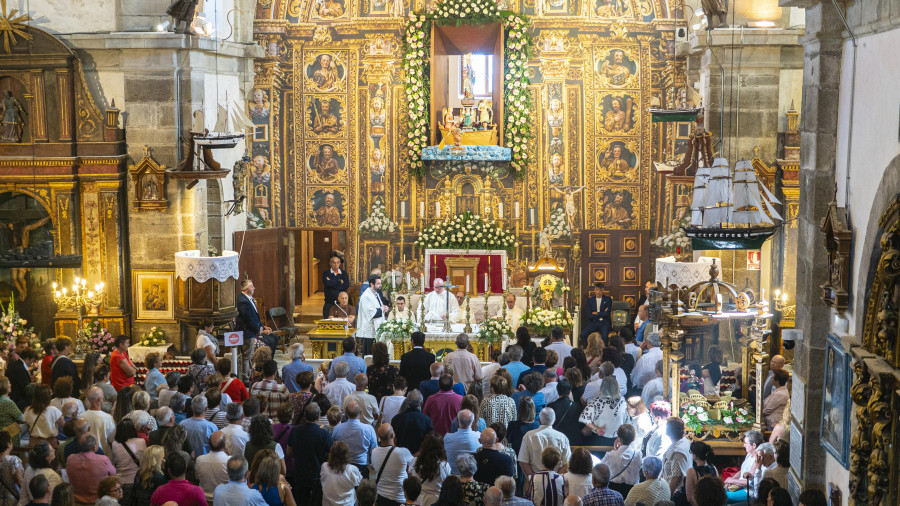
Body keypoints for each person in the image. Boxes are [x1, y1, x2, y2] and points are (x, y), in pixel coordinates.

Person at [288, 404, 332, 505]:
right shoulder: (324, 434)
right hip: (317, 475)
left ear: (305, 415)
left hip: (299, 474)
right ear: (318, 416)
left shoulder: (295, 430)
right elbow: (331, 456)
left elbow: (289, 452)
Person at [236, 279, 276, 378]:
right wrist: (259, 329)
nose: (254, 288)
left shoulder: (248, 298)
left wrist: (262, 326)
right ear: (246, 289)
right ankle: (246, 376)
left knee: (272, 338)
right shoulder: (242, 301)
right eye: (252, 286)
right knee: (247, 356)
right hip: (247, 332)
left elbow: (255, 316)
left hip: (252, 330)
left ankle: (250, 374)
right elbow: (248, 318)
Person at [519, 408, 571, 478]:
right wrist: (556, 478)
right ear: (554, 420)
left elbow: (523, 461)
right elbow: (567, 463)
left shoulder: (529, 436)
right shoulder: (562, 438)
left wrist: (533, 479)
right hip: (556, 481)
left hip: (535, 480)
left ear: (539, 420)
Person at [332, 399, 377, 478]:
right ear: (360, 412)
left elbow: (333, 446)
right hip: (362, 465)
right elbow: (374, 449)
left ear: (345, 413)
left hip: (343, 466)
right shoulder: (368, 429)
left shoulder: (338, 428)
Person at [371, 424, 414, 504]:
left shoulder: (374, 452)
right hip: (398, 498)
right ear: (392, 435)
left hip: (380, 497)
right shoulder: (403, 452)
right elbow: (415, 464)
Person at [66, 433, 115, 504]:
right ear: (94, 447)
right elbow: (113, 474)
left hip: (76, 502)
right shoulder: (104, 460)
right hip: (98, 502)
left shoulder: (70, 459)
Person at [724, 430, 764, 503]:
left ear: (754, 445)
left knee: (722, 498)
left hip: (748, 492)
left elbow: (750, 482)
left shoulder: (757, 460)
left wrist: (732, 481)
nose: (743, 445)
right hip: (740, 486)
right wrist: (730, 480)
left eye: (746, 443)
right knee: (719, 492)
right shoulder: (749, 454)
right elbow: (741, 470)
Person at [601, 424, 641, 497]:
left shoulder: (611, 455)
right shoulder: (638, 454)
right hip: (633, 490)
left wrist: (615, 450)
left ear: (619, 437)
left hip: (614, 488)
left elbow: (601, 467)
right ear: (633, 438)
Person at [410, 433, 451, 506]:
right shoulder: (444, 465)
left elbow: (411, 479)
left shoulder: (414, 461)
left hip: (418, 500)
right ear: (440, 448)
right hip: (436, 501)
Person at [111, 419, 146, 501]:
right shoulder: (142, 441)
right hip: (138, 481)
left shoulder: (115, 444)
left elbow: (114, 463)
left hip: (121, 482)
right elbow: (144, 461)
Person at [671, 441, 716, 506]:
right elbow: (717, 491)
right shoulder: (714, 468)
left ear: (695, 456)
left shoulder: (691, 471)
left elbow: (690, 498)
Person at [321, 441, 363, 506]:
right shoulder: (352, 469)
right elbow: (359, 483)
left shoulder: (324, 467)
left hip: (328, 503)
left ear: (331, 454)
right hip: (348, 503)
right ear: (346, 455)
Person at [392, 390, 433, 455]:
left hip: (400, 456)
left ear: (407, 402)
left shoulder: (396, 419)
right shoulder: (426, 420)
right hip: (420, 458)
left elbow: (393, 440)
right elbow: (429, 441)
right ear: (421, 403)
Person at [659, 417, 691, 495]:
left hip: (676, 493)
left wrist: (668, 496)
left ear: (669, 431)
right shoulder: (683, 442)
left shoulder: (678, 450)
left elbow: (676, 477)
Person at [443, 410, 481, 474]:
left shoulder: (447, 438)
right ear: (473, 421)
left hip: (452, 477)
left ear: (457, 420)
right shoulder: (479, 436)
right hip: (472, 476)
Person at [357, 275, 388, 352]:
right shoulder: (366, 296)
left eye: (380, 283)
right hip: (369, 330)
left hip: (375, 328)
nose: (380, 285)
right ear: (372, 284)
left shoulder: (375, 293)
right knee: (369, 353)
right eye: (378, 283)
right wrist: (382, 309)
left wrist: (383, 307)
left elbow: (376, 307)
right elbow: (369, 312)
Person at [25, 385, 62, 449]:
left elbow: (27, 426)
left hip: (34, 442)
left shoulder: (28, 410)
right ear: (48, 397)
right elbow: (63, 425)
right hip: (50, 443)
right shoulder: (54, 410)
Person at [196, 431, 230, 500]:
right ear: (224, 445)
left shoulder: (199, 460)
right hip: (223, 500)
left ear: (209, 444)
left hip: (204, 499)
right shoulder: (230, 461)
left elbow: (197, 478)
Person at [323, 254, 350, 319]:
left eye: (337, 262)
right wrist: (339, 281)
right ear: (330, 263)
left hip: (341, 303)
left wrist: (332, 282)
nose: (336, 264)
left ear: (340, 263)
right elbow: (327, 284)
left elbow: (346, 285)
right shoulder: (326, 273)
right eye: (334, 263)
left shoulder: (344, 273)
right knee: (328, 322)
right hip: (329, 302)